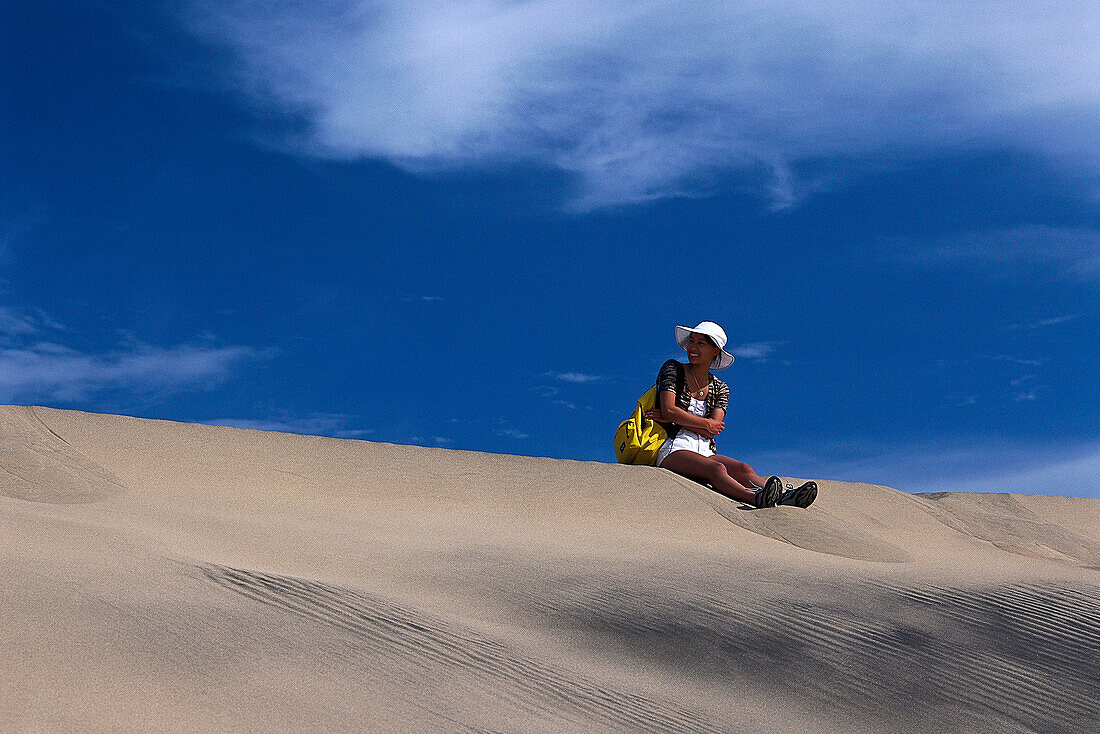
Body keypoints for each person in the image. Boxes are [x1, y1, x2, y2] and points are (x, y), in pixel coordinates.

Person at [643, 321, 817, 509]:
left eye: (700, 343)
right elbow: (670, 409)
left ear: (715, 351)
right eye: (692, 341)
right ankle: (756, 499)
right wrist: (692, 420)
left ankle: (785, 496)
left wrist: (677, 417)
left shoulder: (721, 388)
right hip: (673, 448)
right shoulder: (673, 369)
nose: (692, 347)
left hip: (706, 450)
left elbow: (712, 429)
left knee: (744, 469)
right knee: (716, 469)